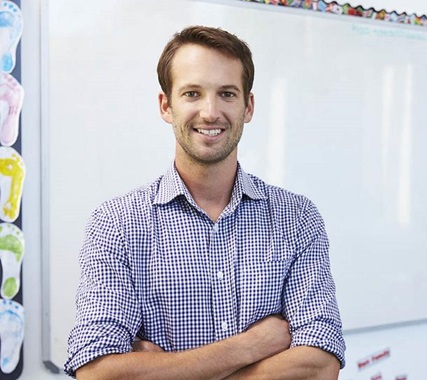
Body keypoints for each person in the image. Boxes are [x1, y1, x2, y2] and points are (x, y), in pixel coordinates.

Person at [64, 25, 346, 379]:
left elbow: (320, 365)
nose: (211, 112)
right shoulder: (117, 223)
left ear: (248, 106)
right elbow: (97, 372)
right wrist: (251, 346)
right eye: (192, 93)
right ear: (166, 105)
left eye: (227, 94)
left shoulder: (297, 217)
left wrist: (166, 368)